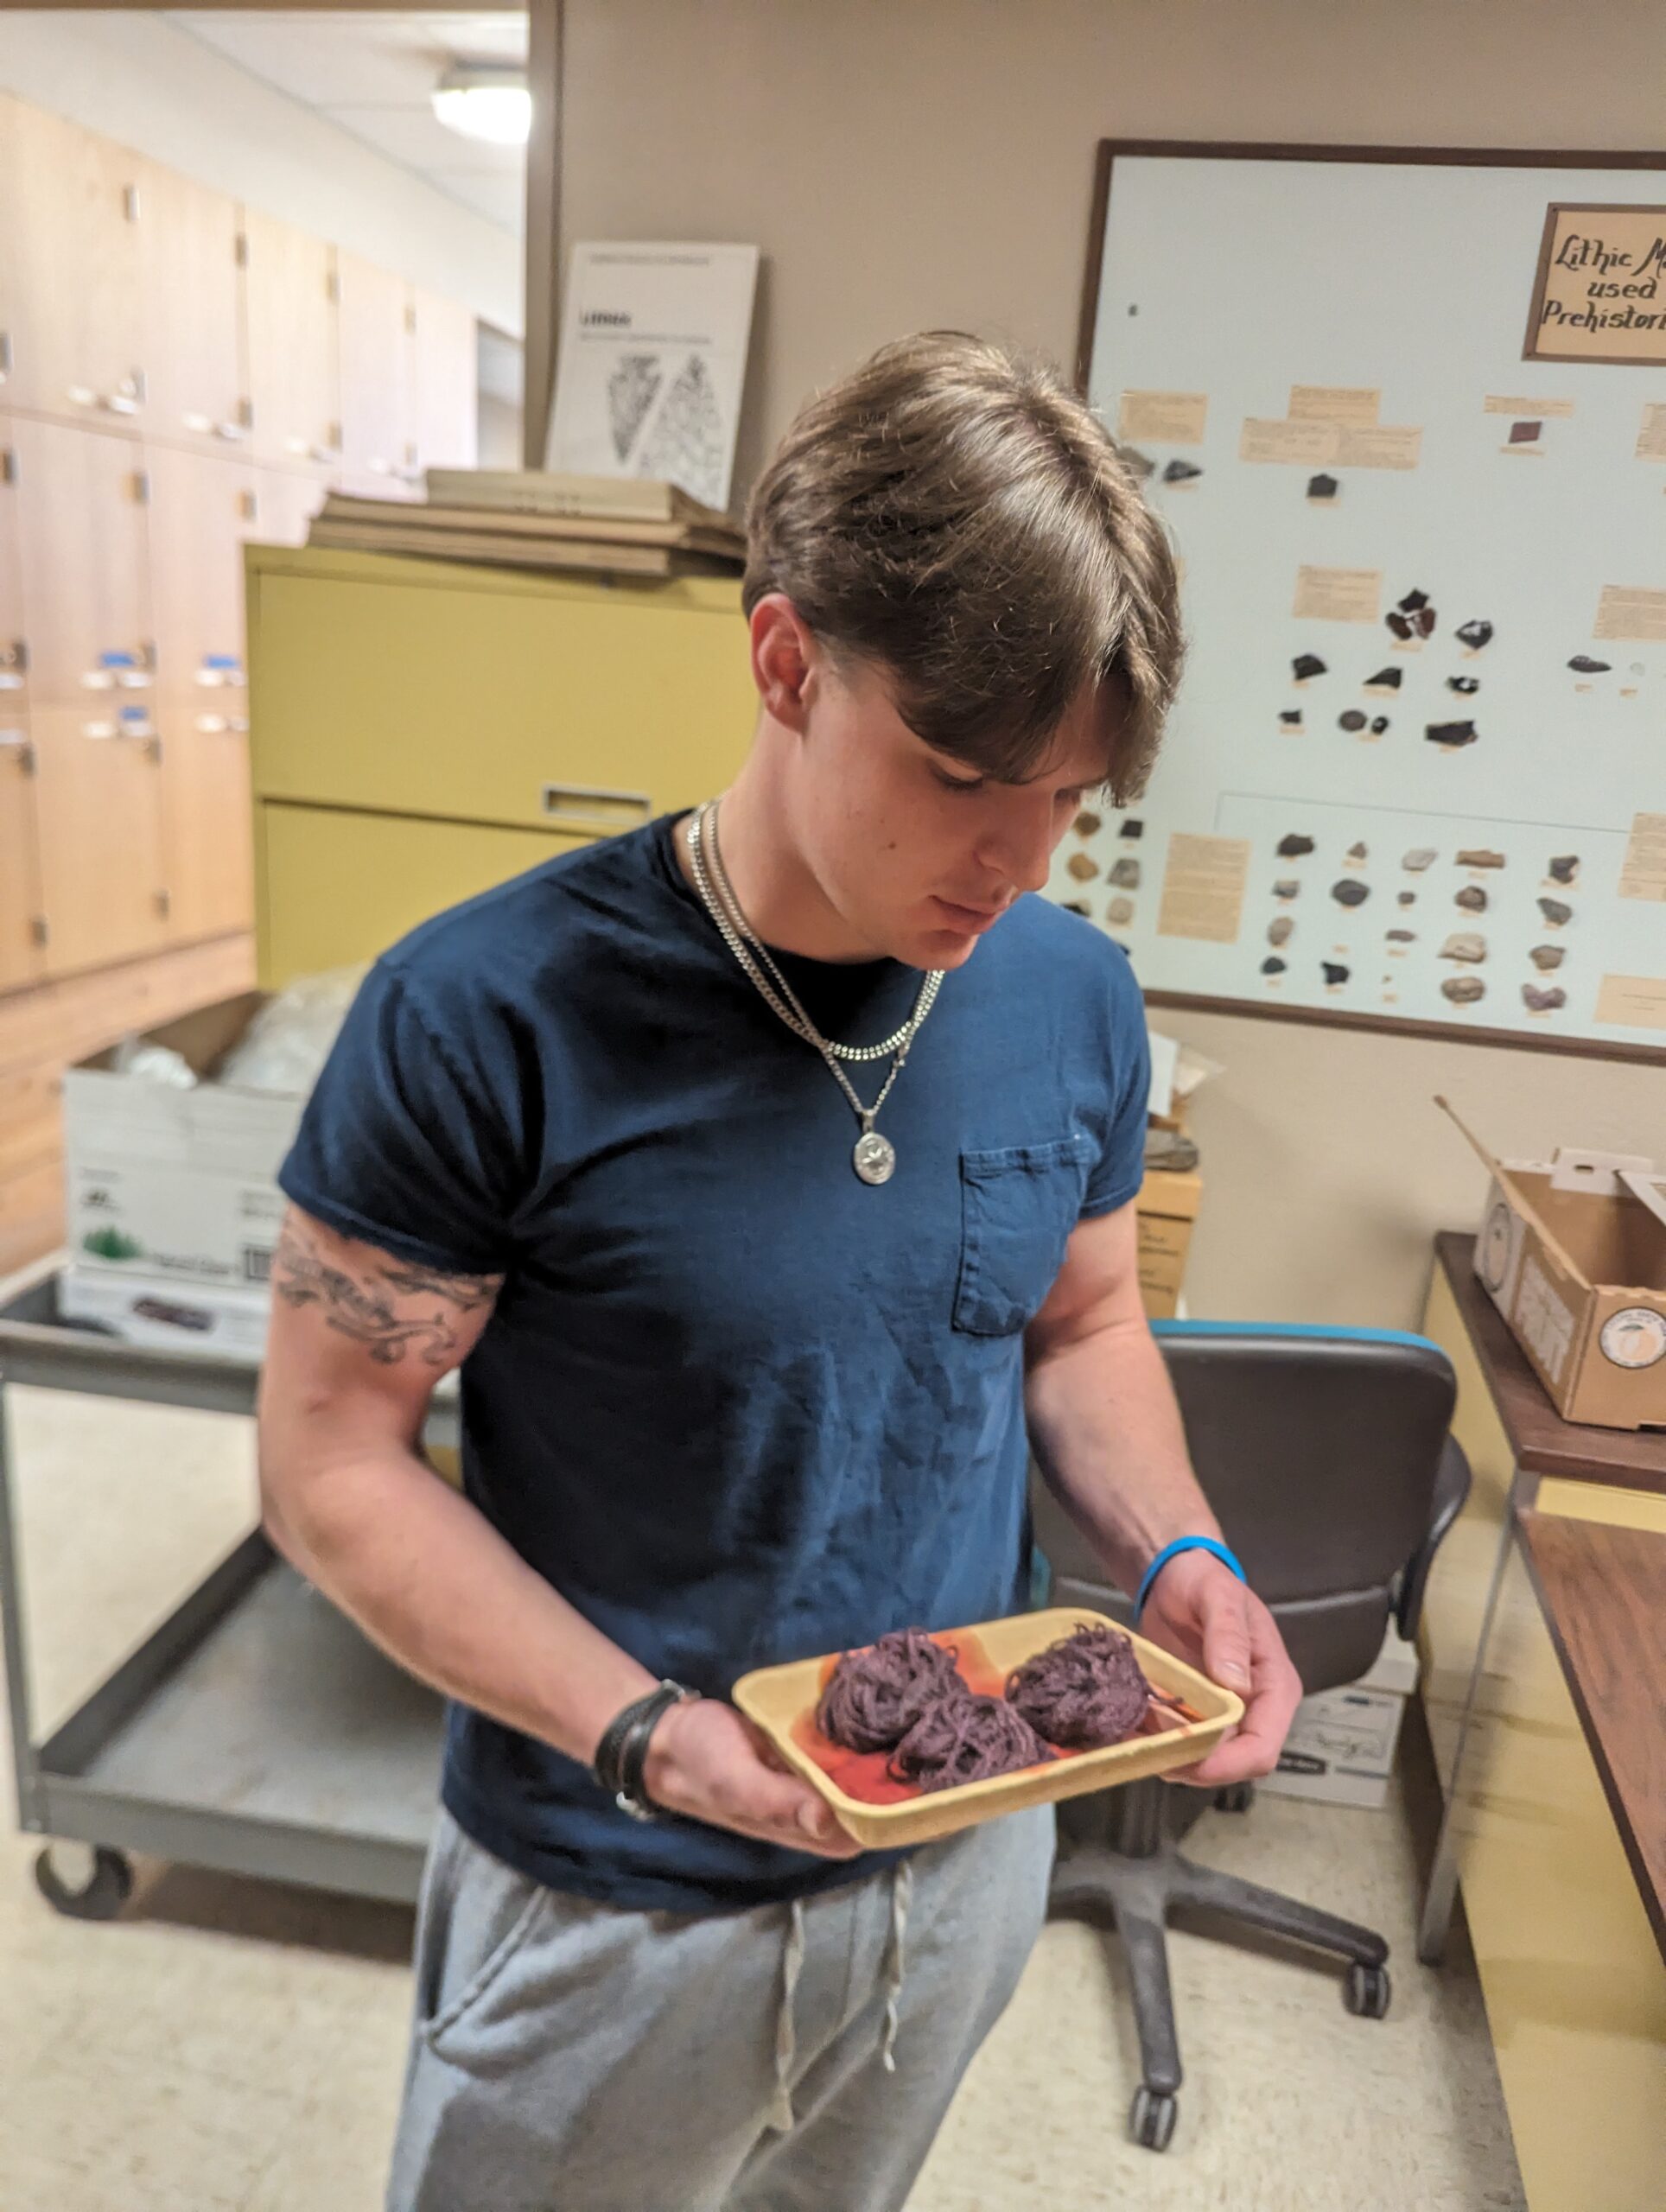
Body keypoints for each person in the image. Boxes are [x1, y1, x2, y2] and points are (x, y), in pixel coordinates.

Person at [257, 330, 1303, 2212]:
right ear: (787, 662)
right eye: (963, 773)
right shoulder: (484, 1014)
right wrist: (651, 1739)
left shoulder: (1071, 998)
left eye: (1070, 797)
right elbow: (328, 1462)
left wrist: (1187, 1557)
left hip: (959, 1858)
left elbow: (1078, 1327)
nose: (1017, 857)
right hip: (613, 1881)